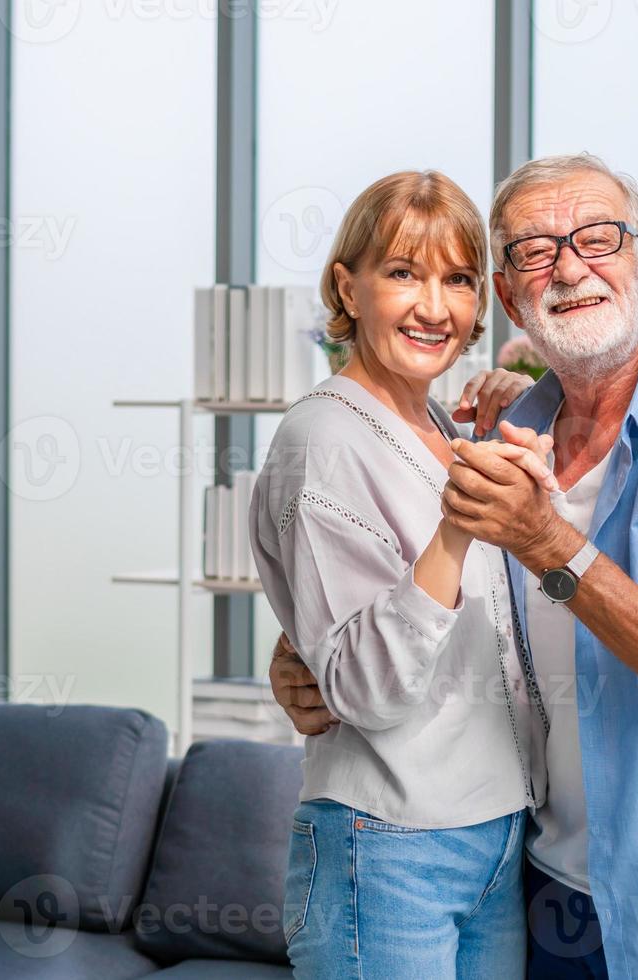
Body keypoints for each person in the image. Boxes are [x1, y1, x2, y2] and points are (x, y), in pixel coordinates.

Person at [269, 154, 638, 980]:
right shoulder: (499, 436)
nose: (570, 267)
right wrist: (305, 656)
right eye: (535, 252)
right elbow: (413, 600)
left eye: (598, 238)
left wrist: (550, 544)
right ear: (509, 296)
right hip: (539, 886)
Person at [249, 169, 551, 979]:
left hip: (494, 834)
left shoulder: (438, 428)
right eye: (403, 273)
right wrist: (455, 531)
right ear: (347, 287)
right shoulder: (321, 440)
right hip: (385, 844)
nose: (433, 306)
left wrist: (526, 407)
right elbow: (362, 687)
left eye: (456, 279)